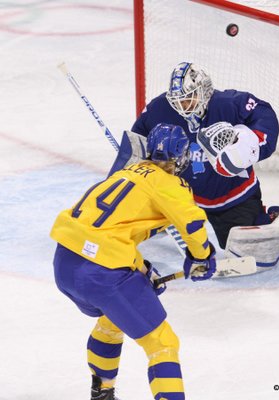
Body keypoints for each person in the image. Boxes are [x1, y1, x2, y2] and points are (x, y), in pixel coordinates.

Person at [50, 123, 216, 400]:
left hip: (65, 263)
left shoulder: (125, 172)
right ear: (181, 157)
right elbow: (193, 223)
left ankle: (101, 393)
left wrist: (140, 269)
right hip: (102, 274)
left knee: (112, 319)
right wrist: (202, 256)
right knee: (162, 343)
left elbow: (109, 231)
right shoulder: (169, 183)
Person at [109, 61, 279, 249]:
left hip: (231, 196)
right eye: (178, 101)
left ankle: (272, 217)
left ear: (203, 91)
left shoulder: (228, 104)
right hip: (180, 196)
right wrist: (130, 165)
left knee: (247, 249)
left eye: (188, 98)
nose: (183, 106)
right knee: (136, 227)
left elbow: (264, 113)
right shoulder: (158, 109)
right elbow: (139, 143)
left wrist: (252, 143)